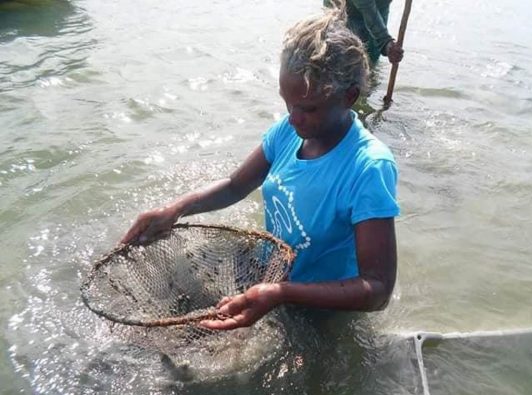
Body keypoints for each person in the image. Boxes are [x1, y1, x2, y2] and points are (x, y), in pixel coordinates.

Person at [120, 6, 400, 331]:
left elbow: (377, 290)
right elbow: (234, 185)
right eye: (288, 102)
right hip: (270, 277)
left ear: (349, 97)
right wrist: (175, 209)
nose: (293, 117)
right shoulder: (289, 132)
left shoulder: (368, 167)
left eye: (308, 108)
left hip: (319, 310)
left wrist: (282, 294)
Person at [324, 0, 404, 64]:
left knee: (373, 55)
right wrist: (385, 41)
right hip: (345, 9)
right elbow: (368, 9)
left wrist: (388, 46)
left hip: (380, 6)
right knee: (346, 57)